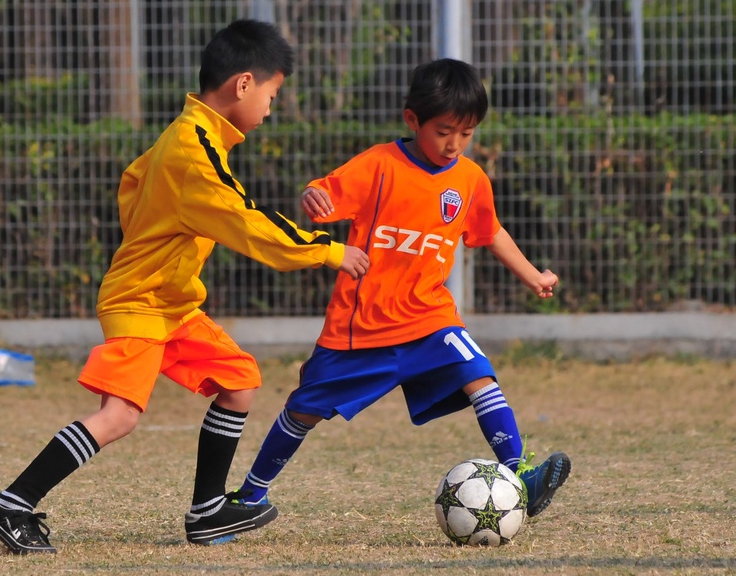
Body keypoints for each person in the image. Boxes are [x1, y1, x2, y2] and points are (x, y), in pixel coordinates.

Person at [0, 19, 370, 553]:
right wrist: (329, 249)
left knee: (240, 380)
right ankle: (12, 503)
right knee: (119, 416)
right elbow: (247, 220)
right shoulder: (196, 152)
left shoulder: (192, 135)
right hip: (141, 301)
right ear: (244, 85)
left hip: (170, 300)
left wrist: (156, 237)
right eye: (273, 95)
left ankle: (207, 511)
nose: (271, 108)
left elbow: (132, 181)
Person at [234, 58, 571, 528]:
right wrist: (312, 194)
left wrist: (533, 276)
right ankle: (250, 496)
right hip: (361, 327)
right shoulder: (380, 165)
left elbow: (489, 230)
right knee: (303, 409)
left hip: (430, 317)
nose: (454, 144)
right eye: (444, 131)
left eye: (467, 133)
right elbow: (324, 192)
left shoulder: (470, 179)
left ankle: (520, 475)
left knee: (479, 374)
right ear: (412, 119)